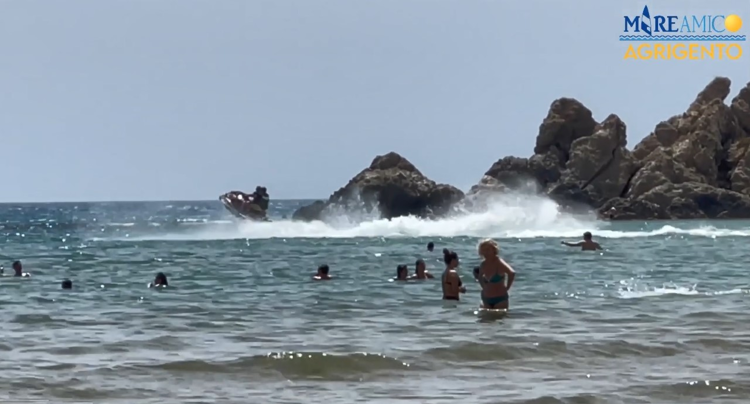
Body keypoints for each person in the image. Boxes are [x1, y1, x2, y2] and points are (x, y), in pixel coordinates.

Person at [477, 239, 515, 309]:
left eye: (488, 249)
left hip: (500, 299)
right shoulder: (483, 264)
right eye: (483, 250)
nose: (486, 252)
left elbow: (511, 273)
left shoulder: (499, 262)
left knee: (499, 319)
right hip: (486, 299)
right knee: (484, 319)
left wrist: (507, 288)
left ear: (494, 249)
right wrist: (484, 287)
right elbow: (479, 277)